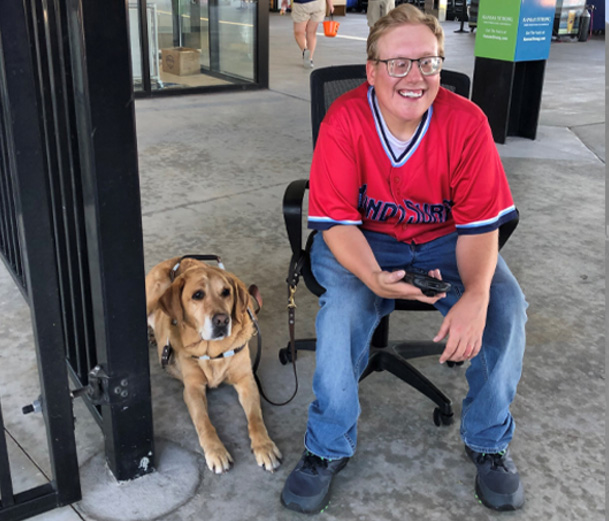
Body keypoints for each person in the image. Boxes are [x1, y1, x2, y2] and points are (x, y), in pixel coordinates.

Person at [280, 4, 528, 515]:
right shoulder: (345, 119)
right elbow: (339, 223)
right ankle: (326, 447)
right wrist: (372, 275)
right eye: (399, 63)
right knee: (344, 309)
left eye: (428, 63)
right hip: (361, 242)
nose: (415, 77)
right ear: (371, 70)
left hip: (446, 243)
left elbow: (480, 226)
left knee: (506, 307)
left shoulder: (467, 123)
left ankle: (488, 442)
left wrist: (476, 295)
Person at [281, 0, 334, 68]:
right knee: (311, 33)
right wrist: (330, 5)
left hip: (302, 4)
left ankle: (305, 51)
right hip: (318, 4)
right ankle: (309, 59)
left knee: (299, 32)